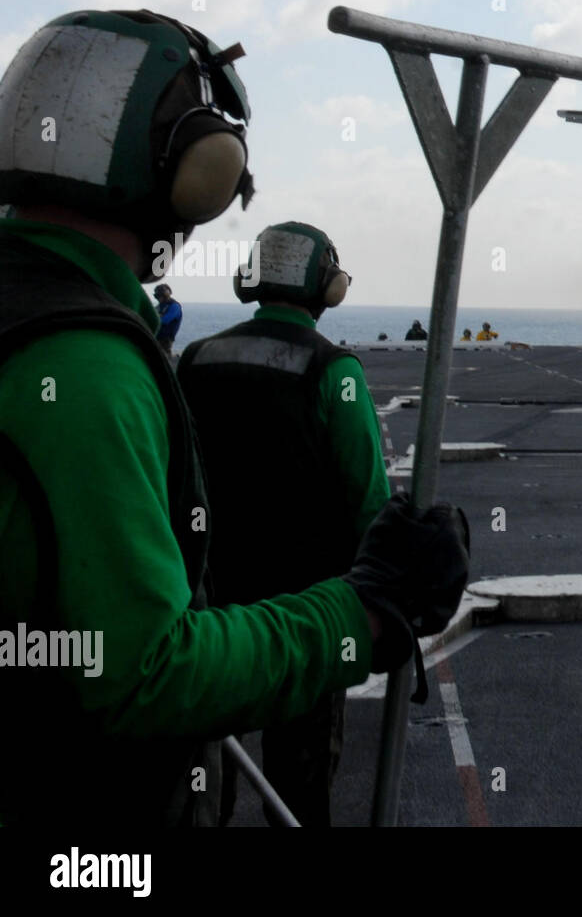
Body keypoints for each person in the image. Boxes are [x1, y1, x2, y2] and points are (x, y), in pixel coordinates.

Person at [0, 9, 470, 827]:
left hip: (223, 618)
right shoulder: (93, 365)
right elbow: (143, 674)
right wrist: (367, 609)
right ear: (196, 169)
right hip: (91, 810)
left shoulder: (189, 355)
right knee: (300, 790)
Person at [178, 222, 390, 826]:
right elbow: (369, 500)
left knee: (206, 778)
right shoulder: (334, 371)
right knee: (299, 788)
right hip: (307, 615)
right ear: (326, 285)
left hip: (209, 612)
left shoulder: (196, 359)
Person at [154, 283, 182, 353]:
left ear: (165, 295)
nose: (158, 298)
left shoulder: (174, 306)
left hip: (166, 340)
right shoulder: (160, 306)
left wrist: (155, 317)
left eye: (159, 296)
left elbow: (165, 320)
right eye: (156, 296)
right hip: (156, 336)